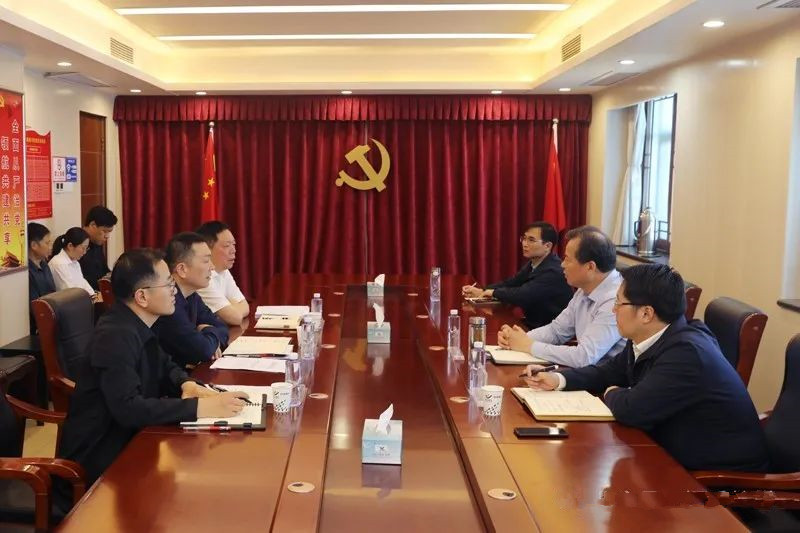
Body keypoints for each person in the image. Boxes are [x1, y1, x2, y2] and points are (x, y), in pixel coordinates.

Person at [523, 264, 770, 472]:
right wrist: (559, 379)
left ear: (646, 314)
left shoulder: (686, 353)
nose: (613, 310)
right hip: (669, 453)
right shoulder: (651, 336)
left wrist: (611, 392)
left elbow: (632, 409)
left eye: (619, 303)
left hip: (719, 479)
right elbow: (608, 371)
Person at [57, 248, 247, 499]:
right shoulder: (114, 336)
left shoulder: (139, 323)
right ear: (142, 296)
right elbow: (128, 408)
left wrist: (185, 384)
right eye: (168, 284)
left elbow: (165, 366)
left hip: (131, 443)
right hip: (98, 466)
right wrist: (200, 408)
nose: (174, 290)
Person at [498, 226, 625, 367]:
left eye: (567, 259)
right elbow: (556, 331)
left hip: (608, 379)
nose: (562, 265)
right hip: (586, 373)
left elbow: (584, 357)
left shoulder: (617, 300)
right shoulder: (584, 289)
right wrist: (516, 338)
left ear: (590, 267)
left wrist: (529, 345)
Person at [461, 222, 573, 328]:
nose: (524, 244)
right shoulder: (534, 263)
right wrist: (482, 290)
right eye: (524, 238)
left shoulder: (553, 271)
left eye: (531, 240)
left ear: (547, 246)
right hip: (535, 323)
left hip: (550, 329)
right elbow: (511, 283)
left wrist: (493, 292)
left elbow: (523, 295)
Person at [152, 232, 229, 366]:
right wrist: (207, 330)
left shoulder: (192, 295)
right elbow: (202, 350)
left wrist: (208, 334)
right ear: (182, 269)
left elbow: (222, 328)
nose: (212, 267)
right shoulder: (169, 303)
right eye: (206, 261)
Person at [195, 221, 249, 326]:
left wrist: (232, 309)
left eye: (234, 244)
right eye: (227, 245)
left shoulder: (223, 270)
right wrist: (232, 306)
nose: (233, 250)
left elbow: (245, 306)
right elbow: (234, 318)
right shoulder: (201, 276)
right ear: (207, 248)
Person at [48, 226, 96, 297]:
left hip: (79, 300)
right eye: (83, 248)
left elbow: (83, 282)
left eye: (86, 248)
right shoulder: (59, 263)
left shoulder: (75, 262)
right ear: (70, 246)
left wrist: (93, 295)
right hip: (68, 301)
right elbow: (70, 292)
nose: (85, 252)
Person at [80, 205, 118, 290]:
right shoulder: (76, 243)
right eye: (104, 231)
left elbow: (104, 271)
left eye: (109, 232)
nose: (107, 236)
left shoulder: (97, 244)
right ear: (92, 225)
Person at [27, 222, 56, 334]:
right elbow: (35, 307)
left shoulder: (44, 264)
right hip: (38, 327)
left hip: (53, 317)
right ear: (34, 245)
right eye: (47, 243)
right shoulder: (27, 272)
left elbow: (53, 293)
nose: (50, 247)